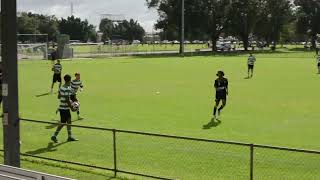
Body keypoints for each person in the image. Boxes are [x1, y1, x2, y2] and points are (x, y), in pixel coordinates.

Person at [51, 74, 78, 143]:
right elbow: (67, 99)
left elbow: (59, 97)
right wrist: (72, 108)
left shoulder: (62, 87)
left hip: (62, 107)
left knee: (69, 121)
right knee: (63, 123)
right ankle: (54, 136)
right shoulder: (67, 88)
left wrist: (69, 101)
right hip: (64, 108)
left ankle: (69, 136)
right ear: (69, 80)